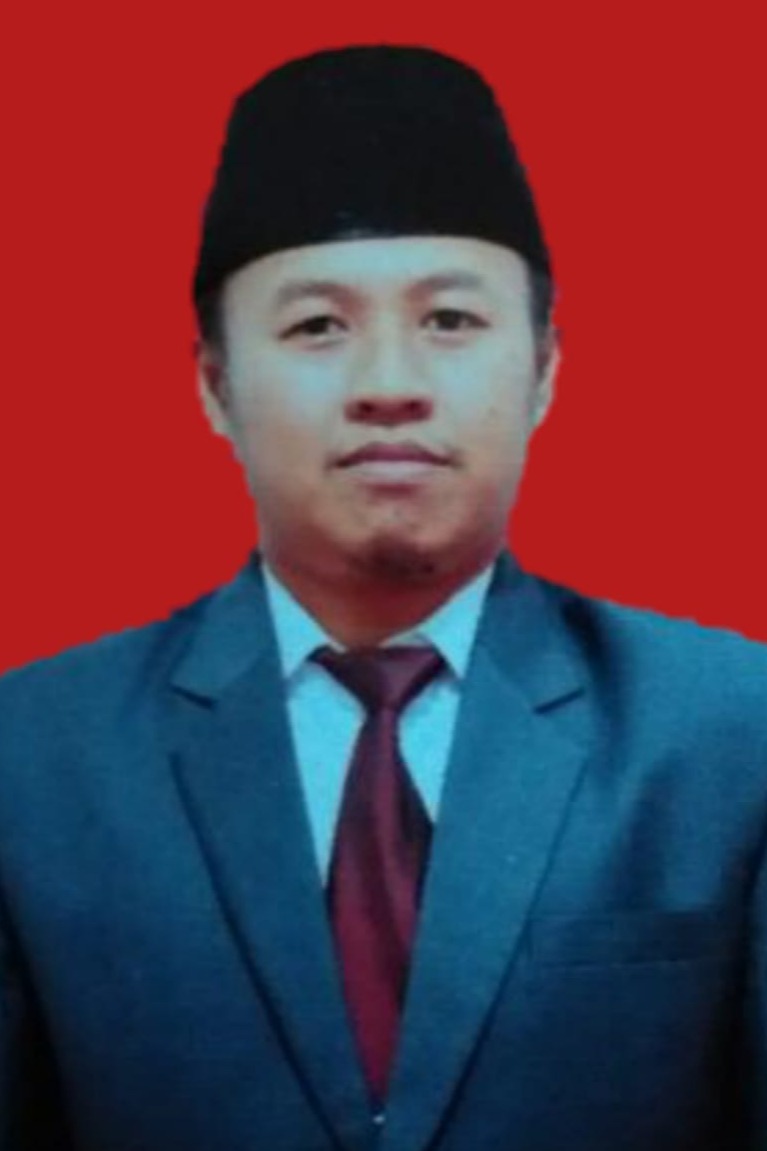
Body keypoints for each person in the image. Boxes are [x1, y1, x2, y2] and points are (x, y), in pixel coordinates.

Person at [0, 44, 765, 1151]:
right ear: (214, 384)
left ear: (544, 368)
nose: (390, 385)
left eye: (449, 320)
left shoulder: (730, 732)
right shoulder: (32, 757)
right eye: (317, 326)